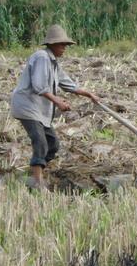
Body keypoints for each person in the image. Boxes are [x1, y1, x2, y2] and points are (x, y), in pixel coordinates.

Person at [10, 24, 99, 190]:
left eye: (66, 45)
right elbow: (38, 86)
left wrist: (89, 94)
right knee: (41, 141)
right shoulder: (42, 58)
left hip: (39, 111)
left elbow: (68, 84)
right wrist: (58, 101)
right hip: (27, 107)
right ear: (52, 44)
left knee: (53, 144)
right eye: (62, 45)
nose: (64, 48)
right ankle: (37, 182)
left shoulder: (53, 63)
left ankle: (36, 172)